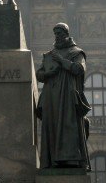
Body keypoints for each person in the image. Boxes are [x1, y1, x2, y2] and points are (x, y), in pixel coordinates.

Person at [36, 23, 91, 170]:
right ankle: (51, 161)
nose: (57, 36)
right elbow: (39, 74)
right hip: (51, 98)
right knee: (51, 127)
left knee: (68, 127)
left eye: (60, 33)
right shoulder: (49, 55)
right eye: (55, 34)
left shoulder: (76, 53)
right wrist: (47, 74)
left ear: (66, 34)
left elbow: (79, 69)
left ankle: (69, 161)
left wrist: (61, 61)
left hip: (67, 98)